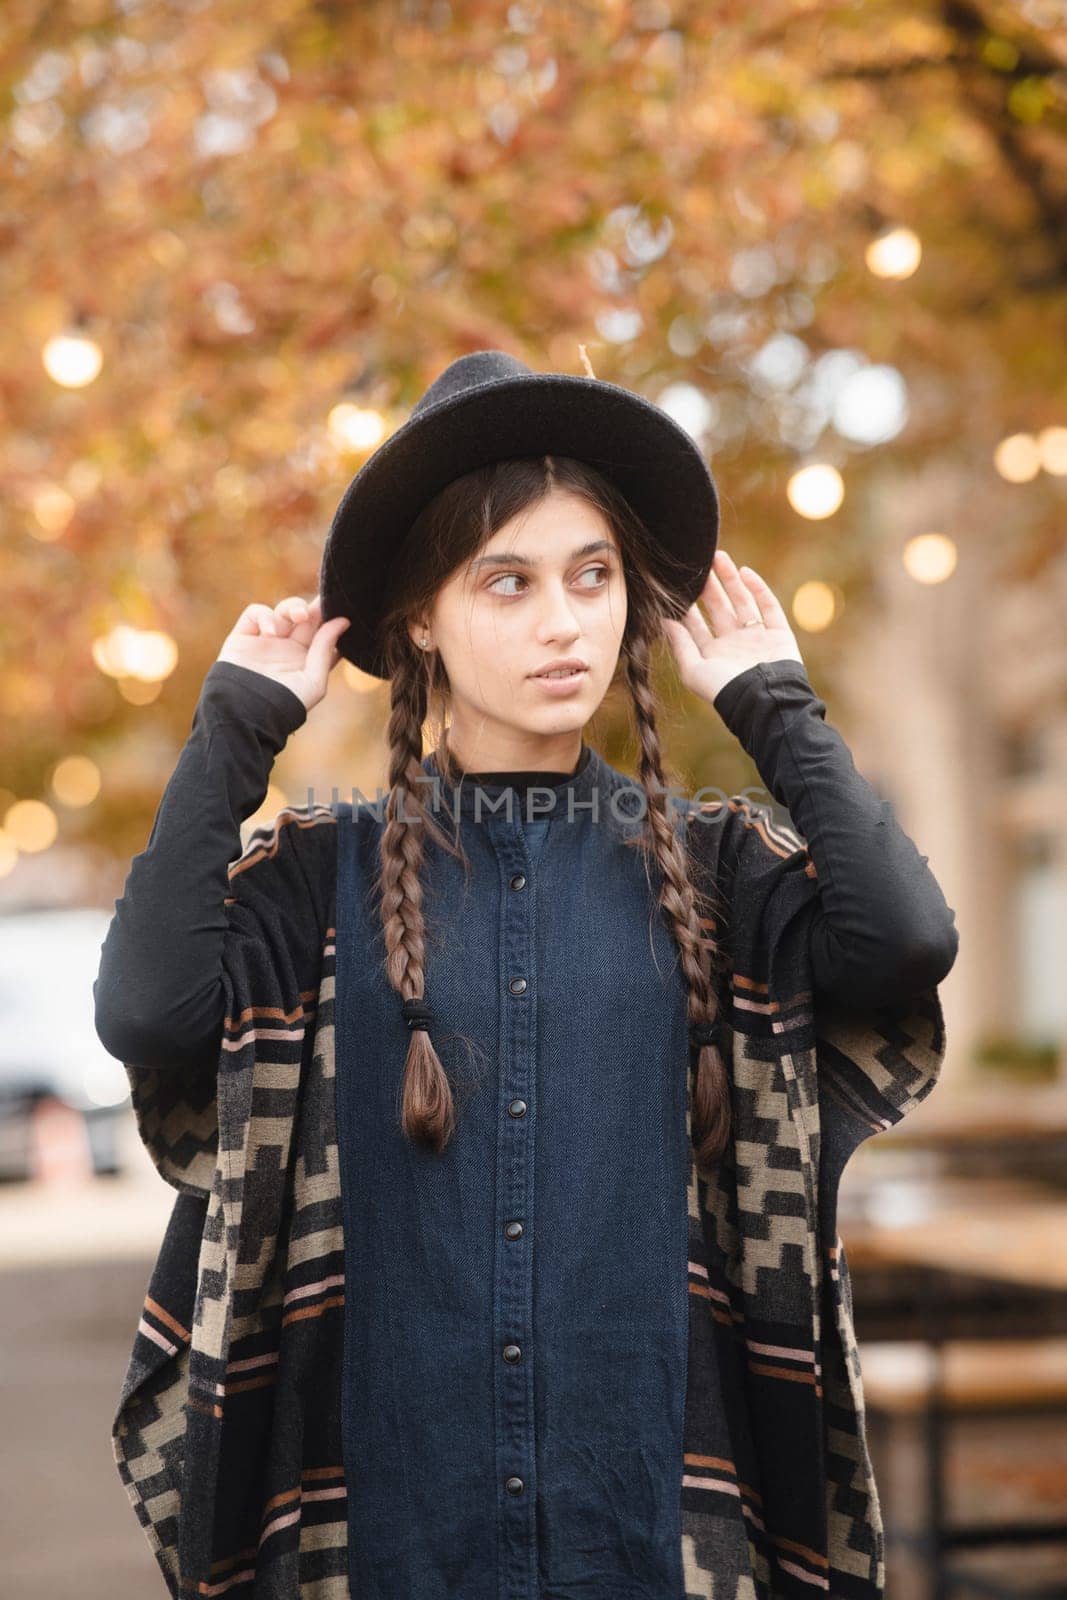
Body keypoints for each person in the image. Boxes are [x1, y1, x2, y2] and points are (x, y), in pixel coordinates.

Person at [96, 350, 958, 1600]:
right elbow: (148, 1008)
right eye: (506, 581)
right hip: (383, 1532)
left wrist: (777, 707)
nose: (565, 621)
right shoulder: (316, 876)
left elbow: (904, 940)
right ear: (419, 622)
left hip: (658, 1530)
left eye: (591, 576)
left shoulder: (714, 870)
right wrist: (234, 725)